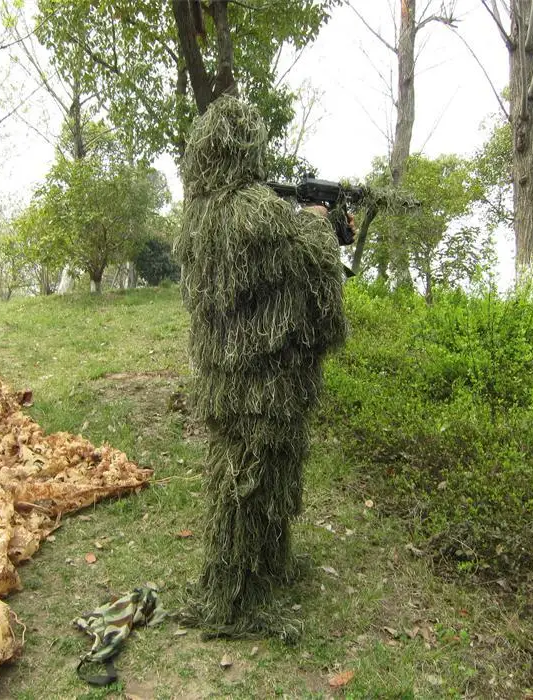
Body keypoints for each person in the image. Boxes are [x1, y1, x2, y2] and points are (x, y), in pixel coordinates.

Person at [174, 95, 347, 639]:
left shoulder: (199, 216)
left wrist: (310, 224)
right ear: (244, 147)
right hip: (265, 381)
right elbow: (302, 265)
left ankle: (268, 570)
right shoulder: (251, 211)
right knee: (248, 487)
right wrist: (320, 226)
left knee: (265, 482)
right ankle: (235, 599)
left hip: (230, 379)